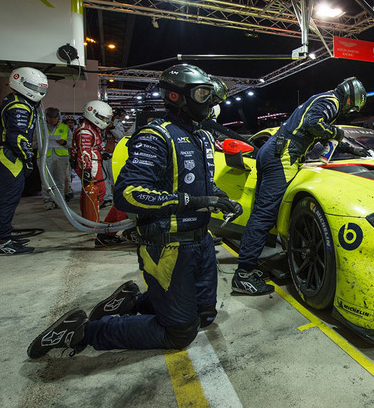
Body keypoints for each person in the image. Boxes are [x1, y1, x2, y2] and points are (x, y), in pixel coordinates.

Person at [27, 64, 241, 359]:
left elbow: (200, 185)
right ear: (176, 97)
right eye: (202, 94)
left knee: (204, 315)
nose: (209, 101)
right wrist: (194, 203)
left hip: (201, 242)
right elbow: (129, 194)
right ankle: (82, 332)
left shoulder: (202, 137)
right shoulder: (156, 136)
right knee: (180, 332)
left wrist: (220, 198)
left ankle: (133, 302)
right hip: (170, 246)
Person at [231, 76, 369, 295]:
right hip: (283, 155)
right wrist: (337, 132)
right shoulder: (331, 102)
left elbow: (321, 133)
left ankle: (249, 266)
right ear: (350, 98)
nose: (350, 110)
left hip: (274, 151)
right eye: (353, 106)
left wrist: (352, 149)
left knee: (261, 212)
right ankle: (244, 274)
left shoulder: (322, 99)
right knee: (265, 214)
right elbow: (314, 125)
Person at [0, 67, 49, 255]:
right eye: (34, 87)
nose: (38, 93)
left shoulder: (20, 101)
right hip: (9, 156)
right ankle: (1, 241)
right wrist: (28, 157)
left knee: (9, 199)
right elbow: (18, 137)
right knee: (7, 199)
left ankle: (3, 235)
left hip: (8, 155)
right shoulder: (19, 106)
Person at [71, 100, 123, 246]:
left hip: (94, 162)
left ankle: (89, 219)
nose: (105, 122)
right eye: (104, 118)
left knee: (89, 193)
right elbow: (84, 152)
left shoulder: (91, 128)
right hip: (90, 165)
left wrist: (101, 153)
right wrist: (87, 169)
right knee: (97, 191)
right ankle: (90, 219)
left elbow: (93, 147)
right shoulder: (86, 131)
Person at [41, 107, 71, 210]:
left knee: (60, 180)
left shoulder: (65, 128)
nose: (53, 120)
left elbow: (71, 143)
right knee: (46, 180)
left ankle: (59, 200)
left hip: (61, 158)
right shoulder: (40, 128)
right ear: (46, 118)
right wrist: (44, 143)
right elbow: (33, 143)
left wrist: (64, 142)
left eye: (55, 117)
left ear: (58, 117)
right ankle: (48, 200)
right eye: (50, 118)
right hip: (45, 157)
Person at [101, 108, 127, 208]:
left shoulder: (118, 124)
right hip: (103, 154)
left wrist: (112, 128)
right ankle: (107, 198)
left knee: (115, 178)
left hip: (113, 155)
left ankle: (119, 198)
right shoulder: (101, 123)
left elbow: (120, 136)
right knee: (104, 178)